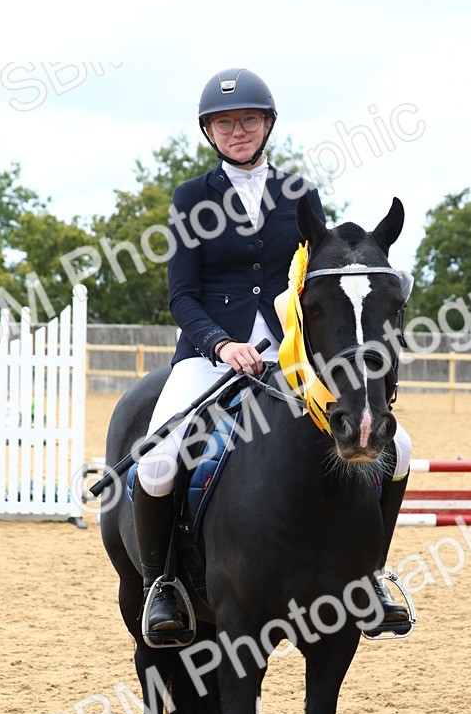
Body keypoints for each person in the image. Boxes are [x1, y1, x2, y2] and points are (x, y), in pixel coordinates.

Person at [132, 67, 412, 644]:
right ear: (210, 130)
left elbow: (319, 275)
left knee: (399, 448)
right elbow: (181, 294)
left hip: (288, 358)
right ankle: (164, 585)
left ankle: (372, 574)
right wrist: (221, 344)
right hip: (210, 355)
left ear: (267, 125)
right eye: (226, 122)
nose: (238, 130)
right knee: (158, 461)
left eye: (249, 120)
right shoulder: (192, 198)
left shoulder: (299, 194)